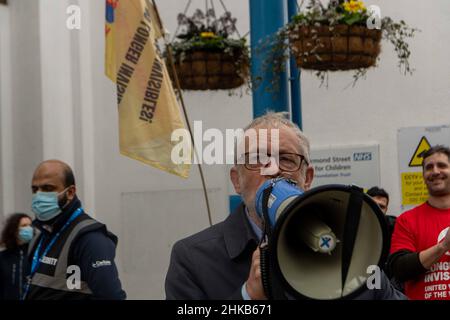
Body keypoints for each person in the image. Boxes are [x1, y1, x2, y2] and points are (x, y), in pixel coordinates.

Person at [165, 112, 406, 300]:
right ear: (236, 180)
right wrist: (249, 297)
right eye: (258, 159)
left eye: (287, 159)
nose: (274, 170)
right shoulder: (194, 259)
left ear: (307, 178)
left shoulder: (355, 249)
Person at [23, 159, 126, 300]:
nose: (39, 196)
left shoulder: (90, 239)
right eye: (35, 189)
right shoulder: (41, 237)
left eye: (48, 189)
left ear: (70, 192)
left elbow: (111, 296)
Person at [388, 145, 450, 300]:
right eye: (429, 167)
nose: (435, 171)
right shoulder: (407, 220)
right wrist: (443, 246)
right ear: (423, 175)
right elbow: (399, 269)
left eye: (442, 165)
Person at [0, 213, 33, 300]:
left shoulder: (36, 254)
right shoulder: (3, 257)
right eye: (24, 225)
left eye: (30, 225)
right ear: (14, 230)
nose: (28, 229)